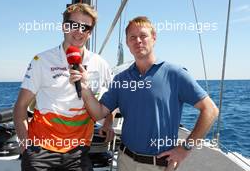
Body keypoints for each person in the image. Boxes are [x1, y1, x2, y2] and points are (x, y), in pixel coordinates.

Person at [70, 16, 219, 171]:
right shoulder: (121, 79)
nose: (138, 41)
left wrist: (185, 148)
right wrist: (84, 88)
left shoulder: (175, 74)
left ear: (154, 38)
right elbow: (98, 113)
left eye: (143, 36)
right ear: (127, 43)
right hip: (125, 161)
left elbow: (210, 110)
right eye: (132, 37)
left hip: (158, 165)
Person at [13, 3, 114, 171]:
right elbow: (21, 106)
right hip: (40, 151)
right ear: (64, 27)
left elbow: (110, 101)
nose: (79, 31)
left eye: (85, 27)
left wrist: (108, 124)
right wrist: (25, 143)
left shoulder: (100, 64)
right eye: (74, 25)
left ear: (90, 33)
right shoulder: (42, 61)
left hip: (79, 152)